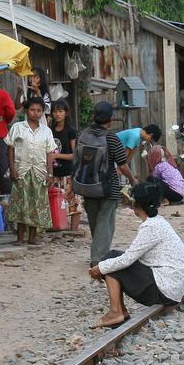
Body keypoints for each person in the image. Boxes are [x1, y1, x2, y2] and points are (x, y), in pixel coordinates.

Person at [88, 181, 184, 328]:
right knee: (112, 257)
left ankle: (116, 312)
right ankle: (120, 311)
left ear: (137, 204)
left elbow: (126, 260)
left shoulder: (150, 227)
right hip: (172, 287)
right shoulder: (159, 222)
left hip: (165, 290)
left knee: (110, 260)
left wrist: (98, 269)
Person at [75, 101, 137, 266]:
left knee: (95, 221)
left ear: (94, 117)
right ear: (110, 120)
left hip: (87, 186)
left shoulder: (82, 135)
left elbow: (77, 159)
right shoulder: (112, 138)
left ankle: (99, 252)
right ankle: (98, 258)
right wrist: (132, 179)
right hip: (108, 187)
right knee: (105, 222)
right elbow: (122, 165)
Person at [6, 97, 57, 246]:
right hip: (21, 171)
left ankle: (33, 237)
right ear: (26, 111)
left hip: (39, 172)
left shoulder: (46, 131)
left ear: (42, 112)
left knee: (36, 204)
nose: (35, 113)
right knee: (21, 204)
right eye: (32, 110)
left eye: (39, 111)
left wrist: (50, 173)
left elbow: (49, 154)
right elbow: (10, 149)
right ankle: (20, 238)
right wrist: (12, 168)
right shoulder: (17, 127)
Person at [49, 99, 78, 196]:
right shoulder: (49, 130)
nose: (57, 114)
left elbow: (75, 155)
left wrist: (56, 156)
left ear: (66, 113)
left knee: (68, 206)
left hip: (67, 173)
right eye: (54, 111)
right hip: (53, 174)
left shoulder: (71, 131)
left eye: (60, 111)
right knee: (56, 205)